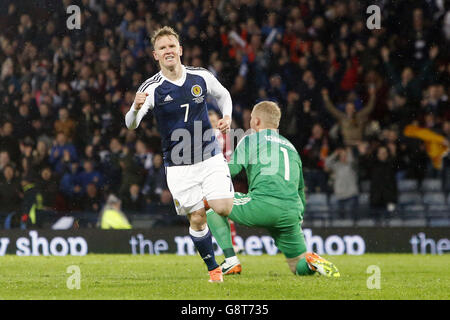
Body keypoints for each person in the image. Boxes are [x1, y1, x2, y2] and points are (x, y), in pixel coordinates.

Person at [125, 26, 234, 282]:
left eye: (172, 46)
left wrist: (227, 116)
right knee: (196, 219)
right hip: (178, 165)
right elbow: (132, 124)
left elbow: (224, 95)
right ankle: (214, 269)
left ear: (180, 49)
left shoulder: (200, 77)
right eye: (162, 48)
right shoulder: (152, 87)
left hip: (209, 156)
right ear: (155, 55)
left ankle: (213, 196)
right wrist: (134, 106)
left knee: (223, 208)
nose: (168, 51)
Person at [206, 101, 340, 277]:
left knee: (212, 205)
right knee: (296, 265)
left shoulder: (250, 138)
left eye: (251, 119)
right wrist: (299, 216)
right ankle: (311, 262)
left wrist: (206, 169)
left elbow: (232, 169)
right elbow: (301, 189)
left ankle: (231, 260)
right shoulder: (291, 148)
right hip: (291, 211)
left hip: (263, 204)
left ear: (257, 122)